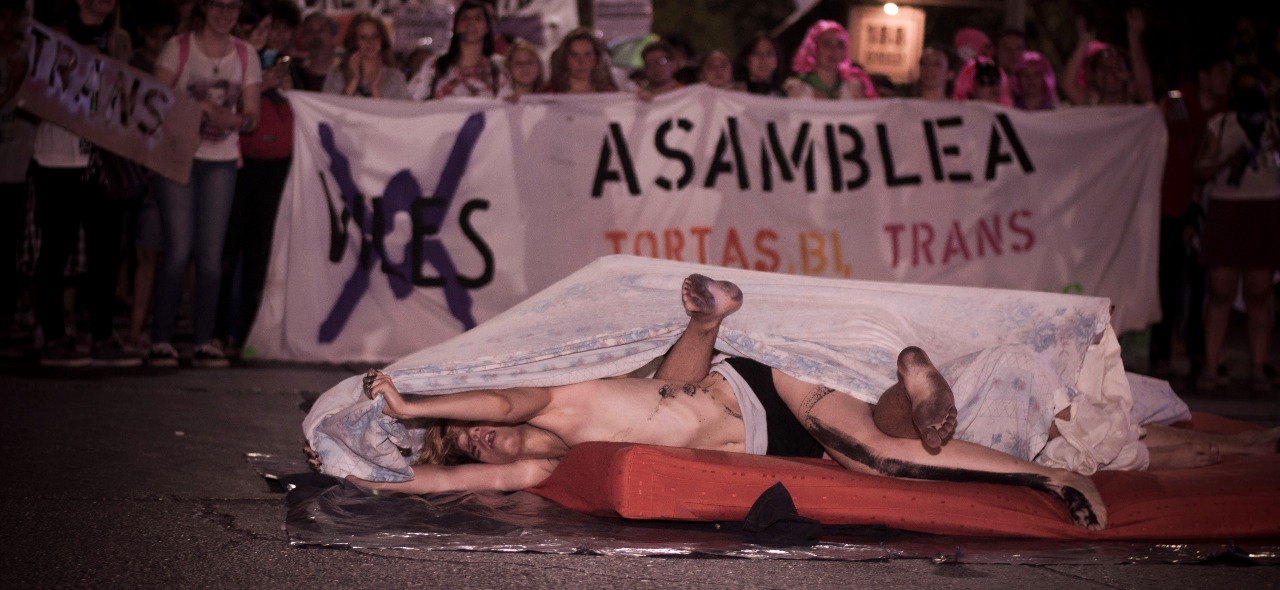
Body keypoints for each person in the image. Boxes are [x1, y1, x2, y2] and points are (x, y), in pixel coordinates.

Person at [332, 274, 1280, 531]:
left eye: (476, 436)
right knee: (882, 448)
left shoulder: (553, 402)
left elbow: (503, 393)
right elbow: (431, 484)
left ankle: (713, 319)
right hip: (780, 417)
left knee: (675, 376)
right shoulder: (546, 461)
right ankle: (1034, 468)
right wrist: (381, 471)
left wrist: (418, 411)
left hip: (745, 376)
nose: (488, 449)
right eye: (472, 453)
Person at [147, 0, 262, 367]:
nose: (225, 13)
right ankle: (161, 339)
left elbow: (253, 116)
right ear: (205, 8)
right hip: (178, 157)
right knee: (178, 249)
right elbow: (152, 98)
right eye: (218, 5)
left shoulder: (246, 54)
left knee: (211, 256)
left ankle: (203, 340)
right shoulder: (178, 48)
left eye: (232, 7)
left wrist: (235, 120)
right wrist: (199, 110)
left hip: (221, 160)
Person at [30, 0, 139, 367]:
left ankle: (102, 336)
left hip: (101, 161)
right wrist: (75, 66)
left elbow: (130, 101)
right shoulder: (53, 37)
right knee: (56, 249)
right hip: (57, 158)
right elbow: (31, 95)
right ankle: (53, 336)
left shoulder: (120, 40)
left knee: (105, 253)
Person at [212, 0, 299, 357]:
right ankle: (217, 330)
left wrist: (289, 86)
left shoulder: (289, 66)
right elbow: (223, 103)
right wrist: (262, 86)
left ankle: (247, 333)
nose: (270, 36)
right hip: (239, 163)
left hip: (276, 169)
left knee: (261, 253)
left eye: (274, 29)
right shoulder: (234, 59)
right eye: (263, 29)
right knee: (227, 249)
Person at [1195, 64, 1280, 392]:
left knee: (1260, 291)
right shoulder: (1221, 125)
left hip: (1265, 209)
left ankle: (1259, 367)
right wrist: (1222, 163)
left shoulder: (1273, 126)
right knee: (1220, 290)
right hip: (1228, 209)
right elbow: (1199, 169)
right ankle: (1212, 365)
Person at [1151, 51, 1233, 382]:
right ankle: (1161, 352)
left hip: (1207, 207)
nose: (1226, 79)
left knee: (1204, 287)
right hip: (1170, 203)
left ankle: (1202, 353)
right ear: (1202, 75)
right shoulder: (1176, 101)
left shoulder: (1228, 112)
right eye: (1221, 71)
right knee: (1167, 282)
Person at [407, 0, 508, 100]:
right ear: (456, 26)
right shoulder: (434, 67)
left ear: (487, 28)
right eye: (465, 18)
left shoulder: (497, 73)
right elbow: (413, 103)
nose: (471, 23)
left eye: (478, 18)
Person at [1062, 10, 1153, 106]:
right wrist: (1084, 41)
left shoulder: (1135, 103)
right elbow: (1067, 85)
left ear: (1128, 74)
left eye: (1117, 67)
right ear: (1094, 76)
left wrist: (1134, 37)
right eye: (1103, 67)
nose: (1110, 73)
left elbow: (1144, 87)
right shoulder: (1089, 102)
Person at [323, 12, 408, 99]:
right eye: (363, 37)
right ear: (355, 42)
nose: (370, 42)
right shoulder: (336, 74)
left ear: (382, 40)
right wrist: (353, 81)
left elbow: (398, 111)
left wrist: (374, 88)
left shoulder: (395, 78)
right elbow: (329, 110)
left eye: (374, 36)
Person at [784, 20, 876, 101]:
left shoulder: (854, 87)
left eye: (839, 45)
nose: (834, 50)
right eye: (826, 44)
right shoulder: (795, 87)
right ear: (813, 48)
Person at [544, 27, 617, 94]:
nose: (582, 62)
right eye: (574, 55)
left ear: (596, 58)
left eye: (587, 55)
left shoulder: (608, 92)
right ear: (564, 59)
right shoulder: (549, 93)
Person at [290, 10, 337, 92]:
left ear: (333, 37)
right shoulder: (296, 74)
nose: (315, 36)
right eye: (310, 31)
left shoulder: (345, 72)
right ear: (303, 39)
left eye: (321, 30)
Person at [503, 37, 543, 102]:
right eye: (518, 63)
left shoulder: (551, 97)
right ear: (509, 68)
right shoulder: (498, 97)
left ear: (538, 66)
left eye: (529, 62)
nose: (525, 67)